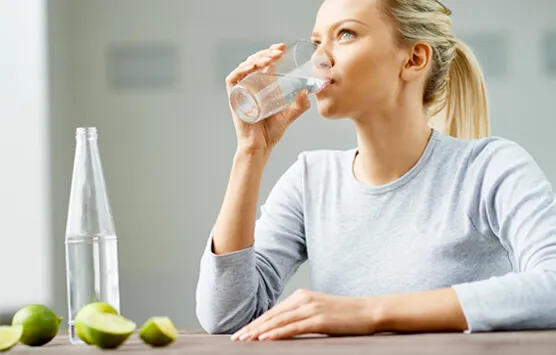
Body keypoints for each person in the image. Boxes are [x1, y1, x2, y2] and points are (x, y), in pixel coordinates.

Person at [195, 0, 556, 341]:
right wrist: (250, 152)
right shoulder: (310, 180)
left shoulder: (489, 170)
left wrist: (370, 312)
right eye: (317, 42)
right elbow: (226, 316)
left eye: (346, 34)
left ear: (414, 59)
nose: (319, 59)